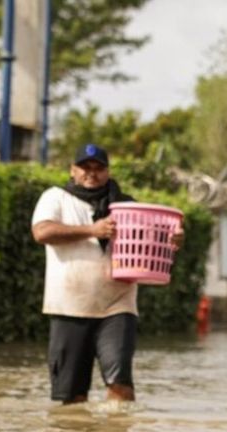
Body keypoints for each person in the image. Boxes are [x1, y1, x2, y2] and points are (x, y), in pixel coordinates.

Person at [31, 143, 174, 404]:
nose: (91, 173)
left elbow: (157, 241)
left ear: (108, 172)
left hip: (117, 305)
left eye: (99, 168)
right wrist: (92, 230)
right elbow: (42, 232)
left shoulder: (127, 206)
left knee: (120, 384)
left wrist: (174, 239)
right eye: (85, 167)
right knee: (72, 396)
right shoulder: (55, 197)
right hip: (68, 306)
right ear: (73, 170)